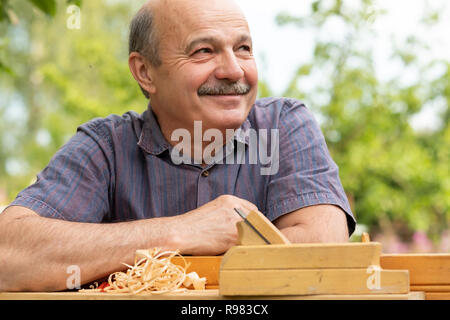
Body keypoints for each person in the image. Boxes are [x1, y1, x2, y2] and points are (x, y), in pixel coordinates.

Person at [0, 0, 355, 292]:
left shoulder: (286, 124)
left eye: (243, 48)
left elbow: (322, 248)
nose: (233, 70)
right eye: (204, 51)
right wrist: (183, 230)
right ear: (145, 72)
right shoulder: (105, 146)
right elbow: (9, 255)